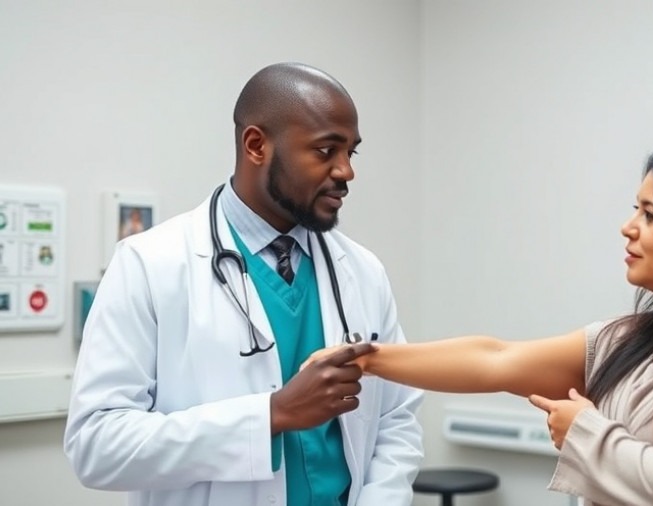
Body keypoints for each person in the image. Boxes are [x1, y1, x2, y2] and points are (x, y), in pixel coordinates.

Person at [317, 110, 653, 505]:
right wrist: (367, 360)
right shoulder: (642, 337)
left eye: (652, 215)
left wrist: (587, 433)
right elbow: (496, 359)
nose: (628, 227)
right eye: (636, 208)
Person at [64, 62, 424, 506]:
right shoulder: (149, 264)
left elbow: (397, 416)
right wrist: (271, 415)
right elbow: (97, 446)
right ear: (256, 146)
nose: (346, 171)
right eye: (326, 151)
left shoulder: (363, 271)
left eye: (351, 152)